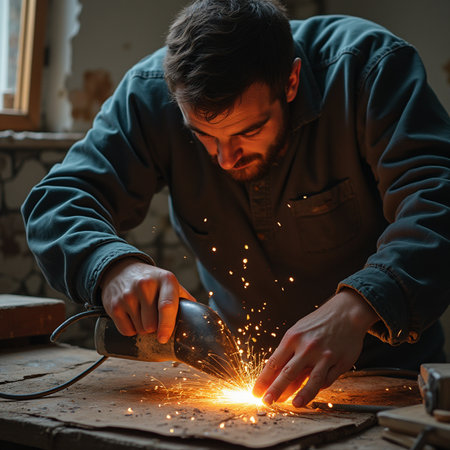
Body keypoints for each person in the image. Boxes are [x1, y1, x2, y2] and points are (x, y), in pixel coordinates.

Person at [22, 0, 450, 409]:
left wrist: (360, 307)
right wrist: (112, 265)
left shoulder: (369, 68)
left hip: (390, 375)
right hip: (238, 375)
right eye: (205, 135)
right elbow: (57, 200)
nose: (226, 158)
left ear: (291, 81)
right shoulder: (149, 93)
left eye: (249, 130)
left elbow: (436, 203)